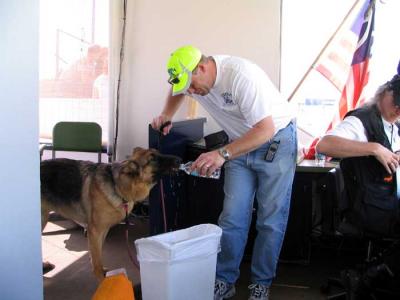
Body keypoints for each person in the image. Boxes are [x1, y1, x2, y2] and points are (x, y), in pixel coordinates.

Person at [152, 45, 297, 300]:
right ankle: (224, 279)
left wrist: (222, 154)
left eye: (192, 85)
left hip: (276, 143)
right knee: (232, 217)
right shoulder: (194, 80)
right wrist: (166, 114)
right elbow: (178, 90)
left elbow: (265, 129)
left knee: (270, 220)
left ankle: (261, 283)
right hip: (239, 145)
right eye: (187, 87)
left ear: (203, 68)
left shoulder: (240, 76)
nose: (191, 92)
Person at [316, 72, 400, 299]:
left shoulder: (393, 124)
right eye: (397, 103)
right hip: (369, 207)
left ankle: (378, 272)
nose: (398, 111)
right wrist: (374, 148)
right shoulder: (360, 121)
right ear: (386, 93)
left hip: (386, 200)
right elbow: (325, 145)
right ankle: (373, 274)